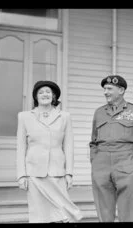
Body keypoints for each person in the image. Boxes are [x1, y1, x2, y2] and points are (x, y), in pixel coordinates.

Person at [16, 80, 83, 223]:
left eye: (48, 92)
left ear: (53, 96)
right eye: (40, 92)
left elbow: (68, 147)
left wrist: (69, 173)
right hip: (34, 174)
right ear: (35, 97)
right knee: (39, 216)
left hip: (57, 173)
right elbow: (21, 148)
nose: (44, 94)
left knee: (63, 214)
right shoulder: (24, 117)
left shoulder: (64, 117)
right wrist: (21, 175)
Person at [89, 75, 133, 222]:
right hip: (101, 164)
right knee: (104, 212)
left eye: (109, 89)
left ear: (121, 90)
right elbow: (93, 142)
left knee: (128, 213)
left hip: (126, 162)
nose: (105, 92)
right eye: (104, 89)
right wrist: (95, 161)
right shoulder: (99, 112)